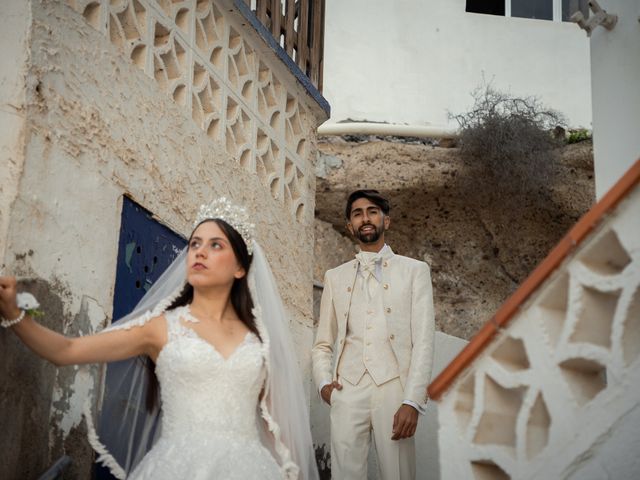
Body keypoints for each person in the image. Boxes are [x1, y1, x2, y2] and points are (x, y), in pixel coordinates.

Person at [0, 198, 319, 480]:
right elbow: (66, 350)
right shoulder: (159, 328)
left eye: (215, 245)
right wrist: (14, 313)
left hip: (251, 469)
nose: (200, 252)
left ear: (240, 267)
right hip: (176, 465)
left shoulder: (258, 339)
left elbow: (279, 430)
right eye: (195, 244)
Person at [312, 190, 435, 480]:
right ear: (350, 226)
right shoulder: (334, 276)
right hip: (347, 388)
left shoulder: (415, 271)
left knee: (399, 474)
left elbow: (424, 341)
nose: (365, 218)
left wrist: (413, 401)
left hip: (393, 387)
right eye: (357, 213)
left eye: (372, 211)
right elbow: (323, 343)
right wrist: (323, 384)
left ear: (386, 221)